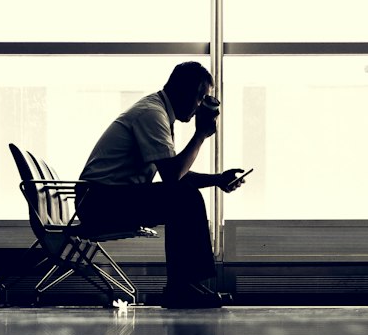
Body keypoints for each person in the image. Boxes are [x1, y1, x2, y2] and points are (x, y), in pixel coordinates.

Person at [77, 61, 247, 308]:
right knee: (184, 198)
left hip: (104, 197)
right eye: (200, 98)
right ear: (182, 90)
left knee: (182, 195)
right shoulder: (152, 115)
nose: (200, 105)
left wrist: (217, 179)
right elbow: (173, 176)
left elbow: (174, 174)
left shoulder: (158, 113)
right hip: (99, 201)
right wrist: (200, 135)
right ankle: (181, 287)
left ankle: (183, 285)